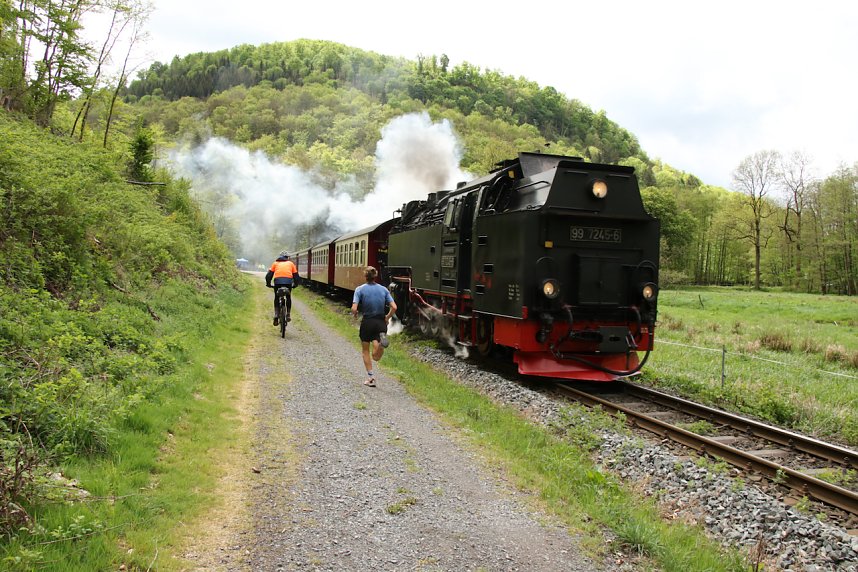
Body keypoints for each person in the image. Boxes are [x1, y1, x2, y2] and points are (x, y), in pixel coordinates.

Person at [351, 266, 396, 387]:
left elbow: (354, 308)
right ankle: (380, 344)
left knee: (365, 351)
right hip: (380, 323)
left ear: (365, 276)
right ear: (375, 276)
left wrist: (355, 315)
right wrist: (387, 317)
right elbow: (394, 307)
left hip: (367, 322)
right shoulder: (383, 289)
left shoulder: (360, 289)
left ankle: (371, 378)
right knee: (376, 356)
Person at [265, 251, 299, 325]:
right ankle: (288, 314)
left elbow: (269, 275)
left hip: (277, 282)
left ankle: (276, 314)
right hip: (288, 282)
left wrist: (268, 284)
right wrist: (295, 284)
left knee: (276, 297)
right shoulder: (291, 264)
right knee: (288, 297)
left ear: (280, 256)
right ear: (288, 257)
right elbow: (296, 276)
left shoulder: (275, 263)